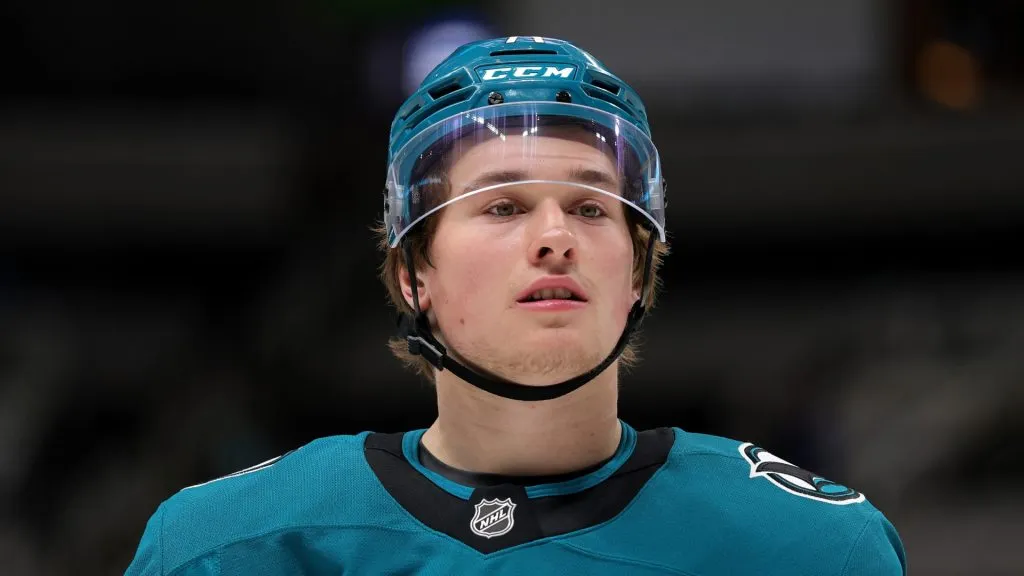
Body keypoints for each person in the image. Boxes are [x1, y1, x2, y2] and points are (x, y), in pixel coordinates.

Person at [125, 36, 906, 575]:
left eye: (594, 208)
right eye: (502, 207)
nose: (556, 237)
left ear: (638, 273)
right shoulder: (222, 546)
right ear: (411, 277)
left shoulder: (809, 547)